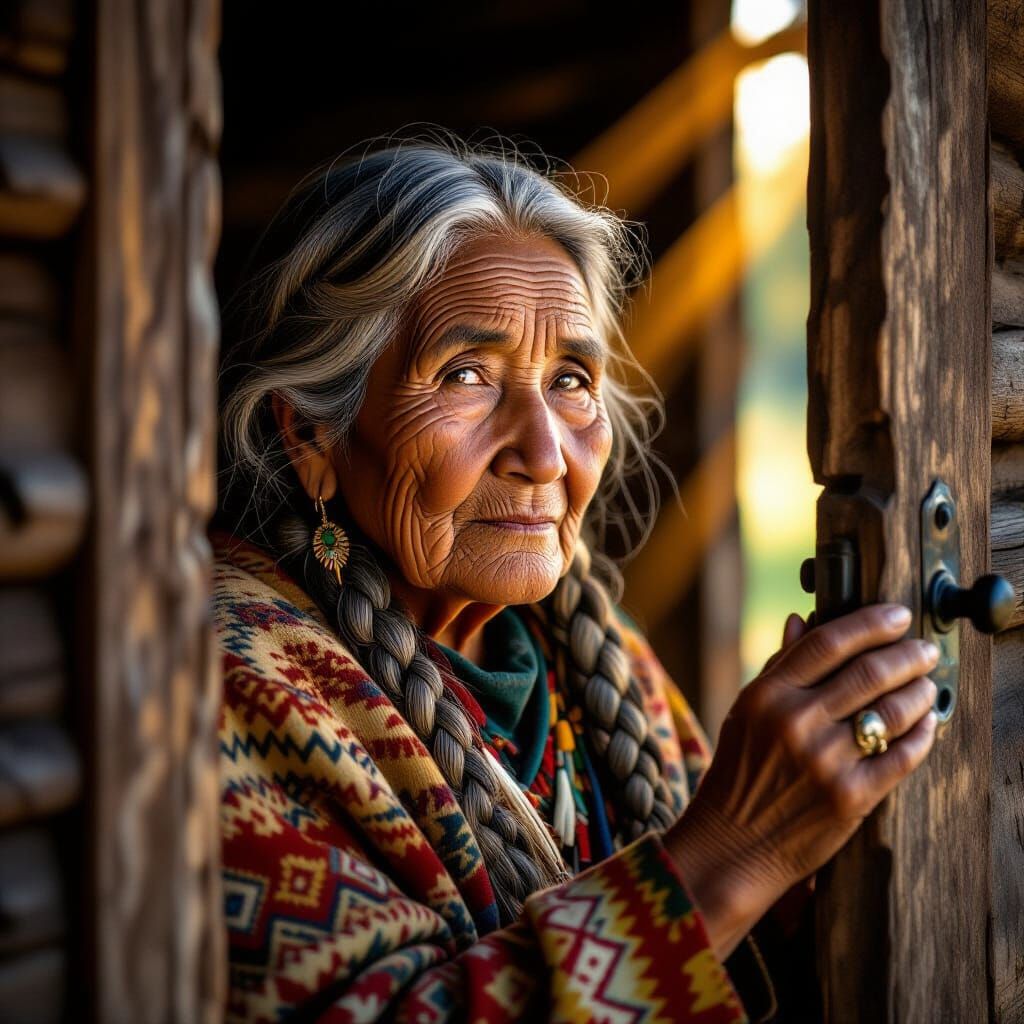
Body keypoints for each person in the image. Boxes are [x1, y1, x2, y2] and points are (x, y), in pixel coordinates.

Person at [214, 130, 940, 1023]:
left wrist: (813, 857)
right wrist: (731, 854)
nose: (545, 453)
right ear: (312, 435)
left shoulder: (597, 662)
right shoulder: (229, 679)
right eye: (467, 374)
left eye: (570, 379)